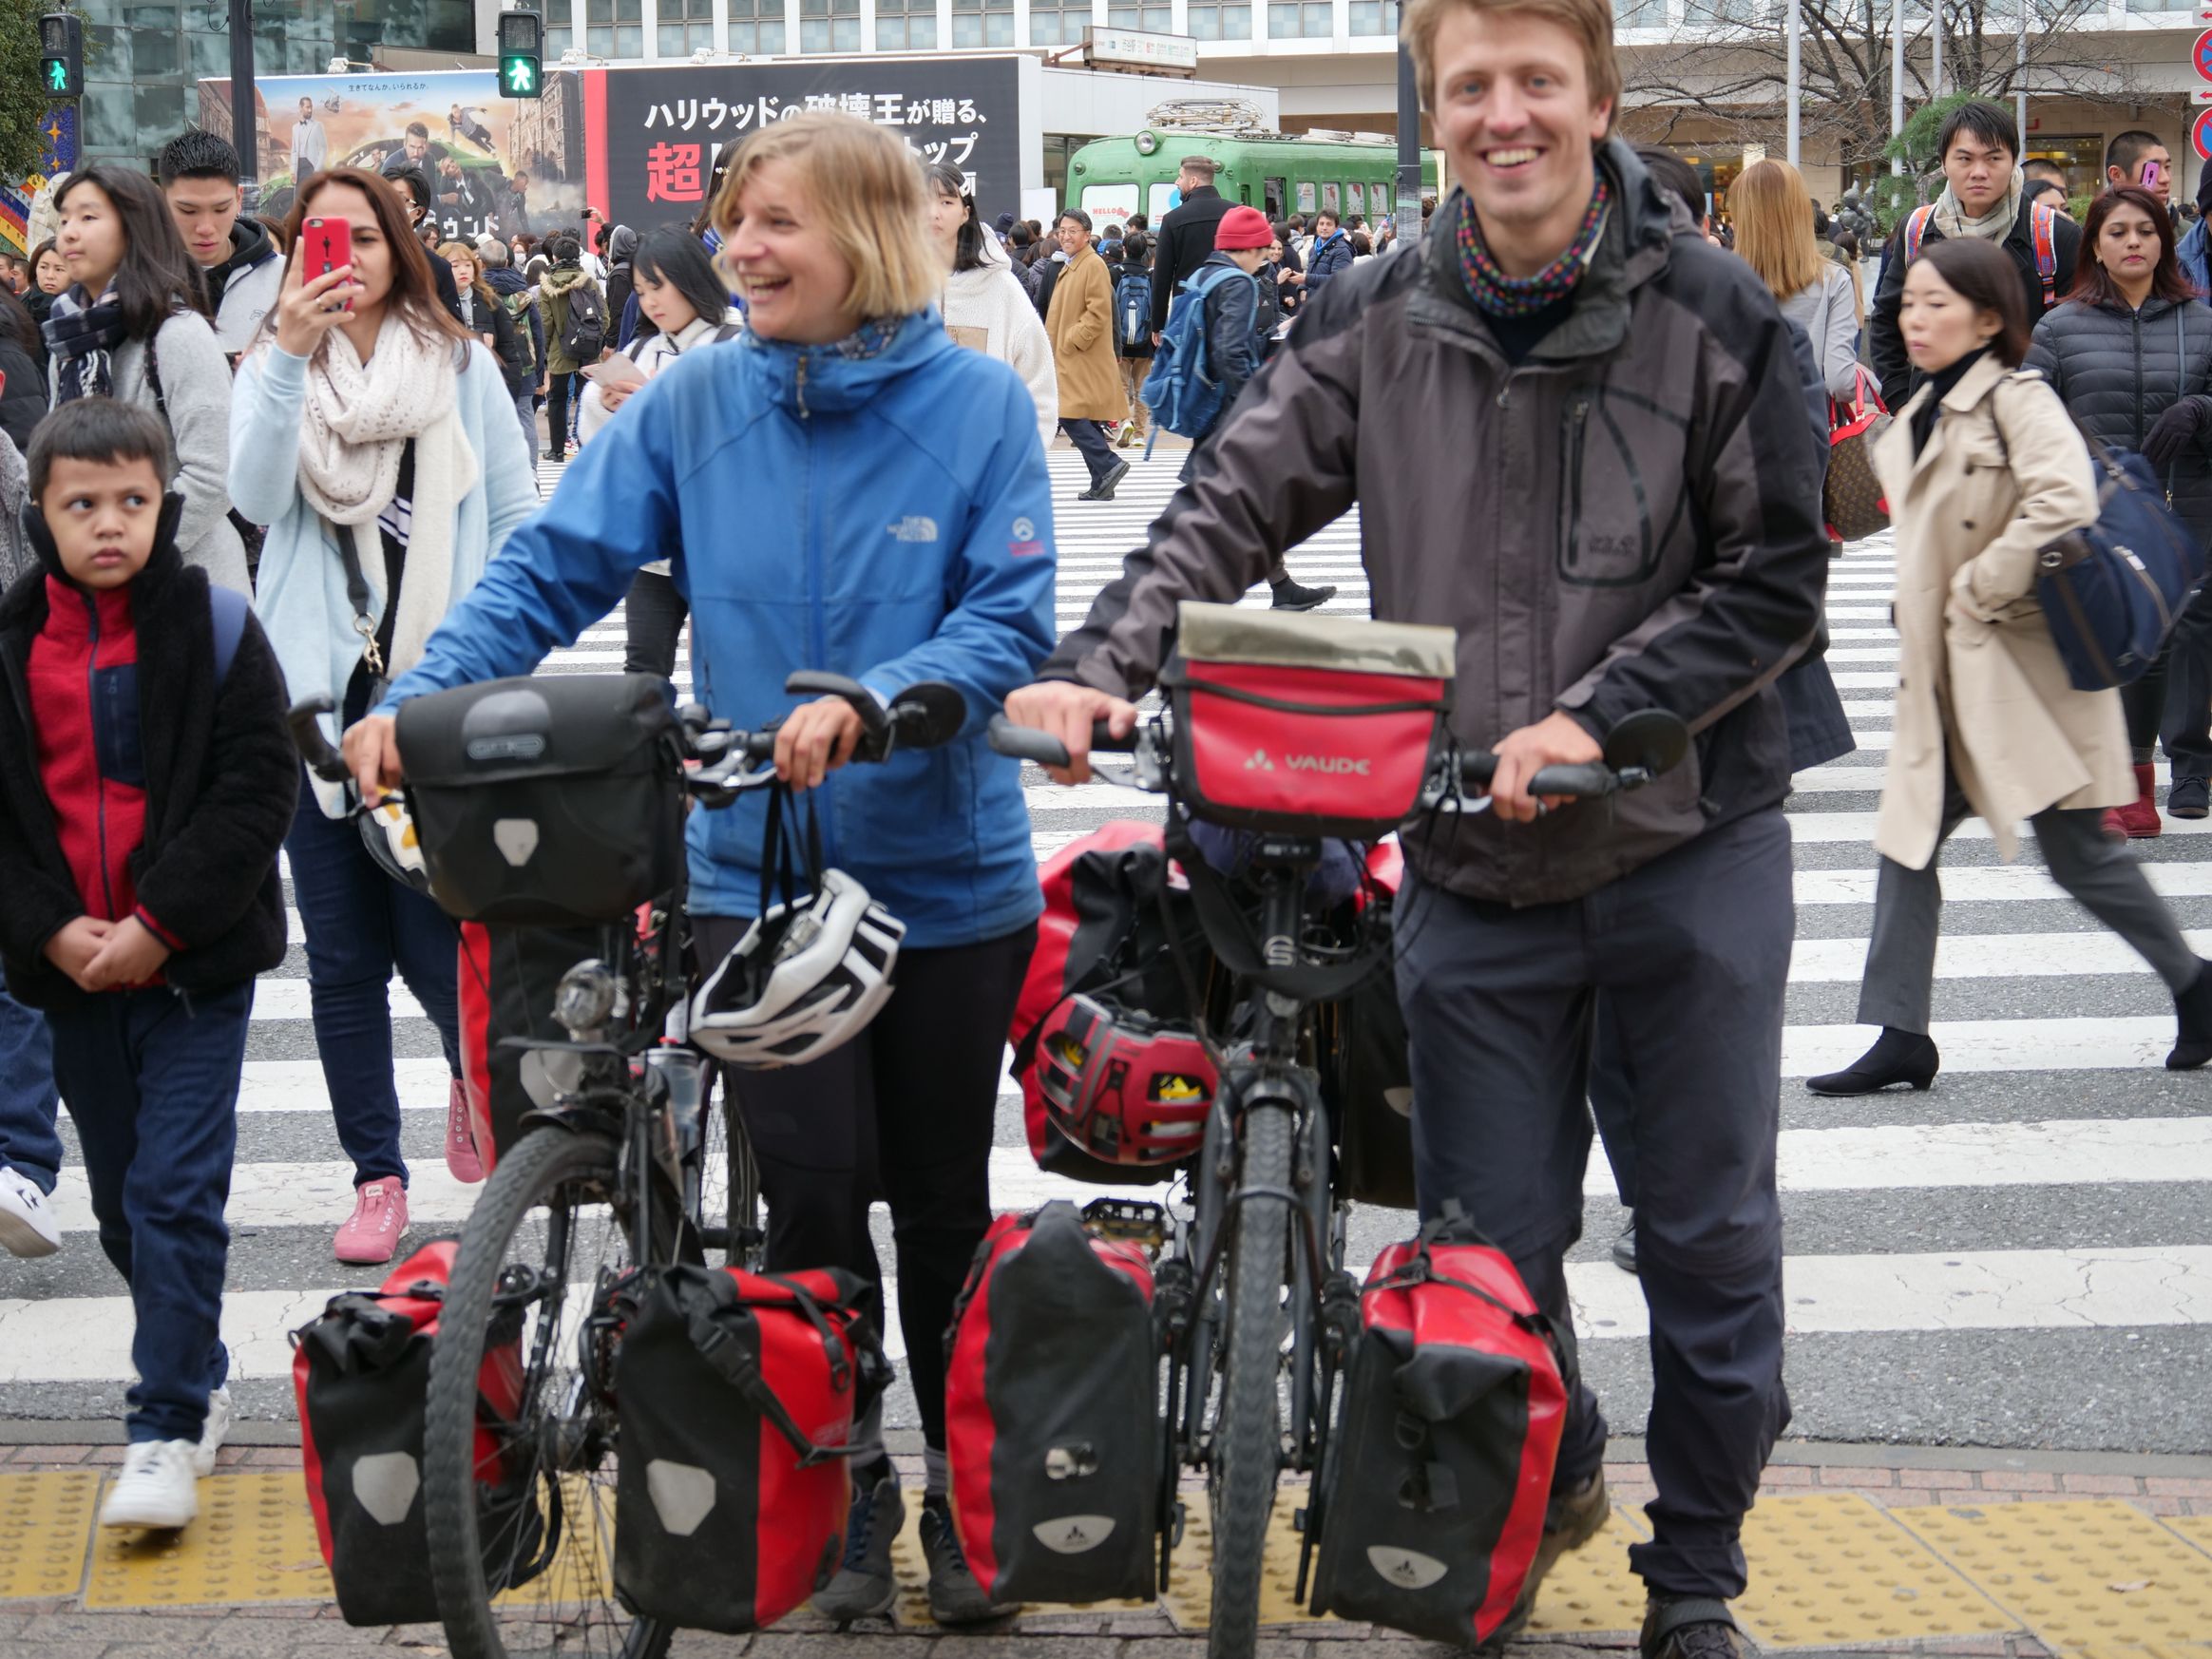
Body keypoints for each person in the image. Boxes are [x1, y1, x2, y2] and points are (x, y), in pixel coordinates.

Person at [1001, 0, 1829, 1643]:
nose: (1502, 114)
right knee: (1478, 1251)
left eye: (1536, 80)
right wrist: (1098, 667)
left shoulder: (1718, 313)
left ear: (1594, 98)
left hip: (1684, 842)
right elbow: (1228, 498)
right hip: (1467, 856)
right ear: (1433, 110)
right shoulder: (1376, 310)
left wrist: (1604, 713)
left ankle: (1695, 1578)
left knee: (1706, 1238)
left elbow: (1776, 574)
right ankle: (1544, 1470)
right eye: (1469, 85)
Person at [334, 109, 1057, 1628]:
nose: (740, 246)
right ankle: (848, 1482)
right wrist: (421, 695)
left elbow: (1008, 624)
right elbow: (549, 569)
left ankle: (969, 1503)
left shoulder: (981, 405)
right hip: (753, 876)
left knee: (935, 1202)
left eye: (777, 221)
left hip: (943, 874)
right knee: (806, 1208)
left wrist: (878, 699)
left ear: (863, 234)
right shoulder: (692, 400)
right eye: (735, 219)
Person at [1809, 235, 2212, 1098]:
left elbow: (2061, 504)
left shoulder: (2019, 401)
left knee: (2080, 859)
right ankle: (1900, 1032)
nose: (1916, 319)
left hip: (2028, 680)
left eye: (1937, 304)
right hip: (1949, 686)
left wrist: (1981, 585)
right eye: (1909, 303)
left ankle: (2194, 982)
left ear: (1989, 319)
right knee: (1906, 844)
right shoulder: (1920, 415)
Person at [229, 165, 538, 1262]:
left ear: (396, 248)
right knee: (343, 956)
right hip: (316, 706)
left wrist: (486, 679)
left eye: (362, 238)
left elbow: (512, 521)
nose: (343, 259)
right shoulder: (276, 371)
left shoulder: (460, 367)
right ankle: (375, 1177)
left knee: (435, 939)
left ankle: (470, 1080)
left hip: (436, 702)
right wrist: (287, 360)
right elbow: (254, 499)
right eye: (321, 240)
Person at [0, 397, 296, 1527]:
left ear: (166, 506)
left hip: (192, 970)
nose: (110, 524)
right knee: (127, 1207)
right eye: (83, 505)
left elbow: (255, 788)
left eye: (133, 501)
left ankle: (164, 1421)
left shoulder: (216, 628)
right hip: (71, 975)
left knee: (175, 1193)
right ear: (41, 516)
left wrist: (158, 924)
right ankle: (203, 1373)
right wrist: (51, 929)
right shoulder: (13, 647)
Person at [2025, 186, 2212, 833]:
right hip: (2092, 507)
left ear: (2163, 240)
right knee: (2101, 633)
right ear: (2096, 248)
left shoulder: (2203, 321)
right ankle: (2103, 778)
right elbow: (2027, 413)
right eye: (2117, 232)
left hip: (2184, 501)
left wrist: (2201, 411)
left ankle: (2147, 778)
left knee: (2169, 637)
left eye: (2145, 230)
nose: (2133, 242)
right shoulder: (2060, 326)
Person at [43, 164, 249, 595]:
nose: (69, 233)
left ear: (134, 228)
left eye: (88, 217)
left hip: (185, 584)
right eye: (64, 219)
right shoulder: (69, 341)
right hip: (93, 588)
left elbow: (216, 474)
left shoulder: (177, 335)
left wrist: (129, 551)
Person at [576, 226, 742, 680]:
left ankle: (717, 751)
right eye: (642, 291)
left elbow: (744, 440)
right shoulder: (643, 346)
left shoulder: (740, 344)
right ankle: (651, 753)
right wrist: (606, 406)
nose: (650, 302)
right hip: (653, 542)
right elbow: (601, 444)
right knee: (643, 670)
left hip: (721, 540)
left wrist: (653, 408)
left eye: (659, 287)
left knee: (721, 672)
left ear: (691, 279)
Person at [1869, 101, 2082, 412]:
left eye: (1993, 158)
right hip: (1933, 411)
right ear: (1944, 163)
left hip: (2023, 416)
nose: (1979, 172)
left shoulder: (2053, 235)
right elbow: (1887, 320)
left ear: (2012, 160)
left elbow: (2074, 336)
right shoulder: (1916, 229)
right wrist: (1902, 399)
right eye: (1964, 159)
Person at [925, 162, 1055, 452]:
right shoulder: (894, 289)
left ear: (965, 212)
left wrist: (1021, 458)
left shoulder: (1000, 288)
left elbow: (1038, 379)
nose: (933, 212)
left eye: (946, 202)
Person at [1731, 159, 1861, 401]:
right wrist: (1869, 379)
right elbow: (1841, 382)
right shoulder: (1833, 280)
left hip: (1732, 429)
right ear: (1801, 212)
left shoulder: (1716, 282)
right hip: (1805, 425)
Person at [158, 129, 285, 356]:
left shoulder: (285, 278)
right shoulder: (139, 280)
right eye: (188, 210)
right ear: (162, 200)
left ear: (238, 199)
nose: (206, 228)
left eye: (220, 209)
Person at [1045, 207, 1130, 502]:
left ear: (1086, 234)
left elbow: (1098, 312)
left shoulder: (1091, 264)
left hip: (1078, 354)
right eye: (1062, 231)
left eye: (1072, 231)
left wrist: (1071, 340)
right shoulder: (1075, 263)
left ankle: (1109, 464)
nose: (1065, 236)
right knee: (1085, 416)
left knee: (1068, 413)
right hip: (1073, 354)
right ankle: (1101, 480)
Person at [1148, 154, 1233, 340]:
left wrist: (1158, 324)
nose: (1176, 182)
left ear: (1193, 180)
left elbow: (1162, 277)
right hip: (1229, 309)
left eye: (1180, 176)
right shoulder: (1235, 213)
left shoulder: (1173, 219)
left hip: (1187, 314)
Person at [480, 238, 543, 461]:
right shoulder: (524, 294)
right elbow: (538, 335)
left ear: (481, 263)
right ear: (507, 261)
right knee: (525, 418)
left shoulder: (479, 295)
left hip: (490, 368)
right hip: (525, 365)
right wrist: (540, 375)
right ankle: (531, 471)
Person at [440, 241, 524, 382]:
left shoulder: (490, 301)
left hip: (486, 383)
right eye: (455, 266)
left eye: (468, 265)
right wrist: (478, 338)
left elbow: (508, 352)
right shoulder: (431, 304)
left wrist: (509, 391)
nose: (463, 271)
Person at [1114, 229, 1156, 447]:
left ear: (1124, 249)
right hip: (1145, 339)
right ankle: (1139, 434)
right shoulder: (1151, 274)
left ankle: (1125, 422)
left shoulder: (1116, 272)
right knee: (1142, 387)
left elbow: (1110, 308)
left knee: (1120, 386)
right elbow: (1157, 307)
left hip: (1120, 341)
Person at [2105, 130, 2171, 210]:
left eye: (2167, 167)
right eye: (2152, 170)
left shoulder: (2180, 222)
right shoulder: (2095, 222)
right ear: (2116, 175)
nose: (2166, 179)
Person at [1305, 208, 1355, 295]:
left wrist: (1306, 279)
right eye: (1321, 224)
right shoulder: (1314, 249)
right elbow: (1310, 273)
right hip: (1315, 302)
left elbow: (1338, 281)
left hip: (1332, 304)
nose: (1324, 228)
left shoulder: (1341, 249)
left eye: (1329, 224)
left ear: (1336, 228)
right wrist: (1302, 288)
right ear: (1316, 227)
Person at [603, 223, 639, 346]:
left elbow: (617, 311)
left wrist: (611, 343)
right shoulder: (636, 267)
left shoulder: (619, 274)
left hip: (623, 339)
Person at [290, 96, 328, 184]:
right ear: (300, 108)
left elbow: (323, 149)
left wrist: (317, 170)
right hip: (299, 168)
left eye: (311, 107)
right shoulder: (294, 128)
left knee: (312, 196)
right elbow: (294, 151)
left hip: (311, 166)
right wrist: (292, 172)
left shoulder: (317, 126)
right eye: (307, 107)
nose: (310, 110)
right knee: (299, 196)